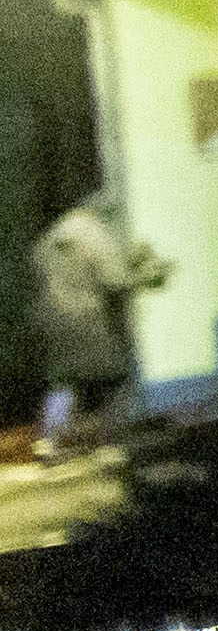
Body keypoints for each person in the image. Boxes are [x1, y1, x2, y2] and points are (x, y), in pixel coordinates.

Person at [30, 184, 168, 454]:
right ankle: (108, 450)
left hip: (55, 328)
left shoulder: (52, 236)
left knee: (67, 387)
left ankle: (52, 446)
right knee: (111, 391)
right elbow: (113, 283)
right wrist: (147, 278)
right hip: (93, 328)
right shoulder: (95, 233)